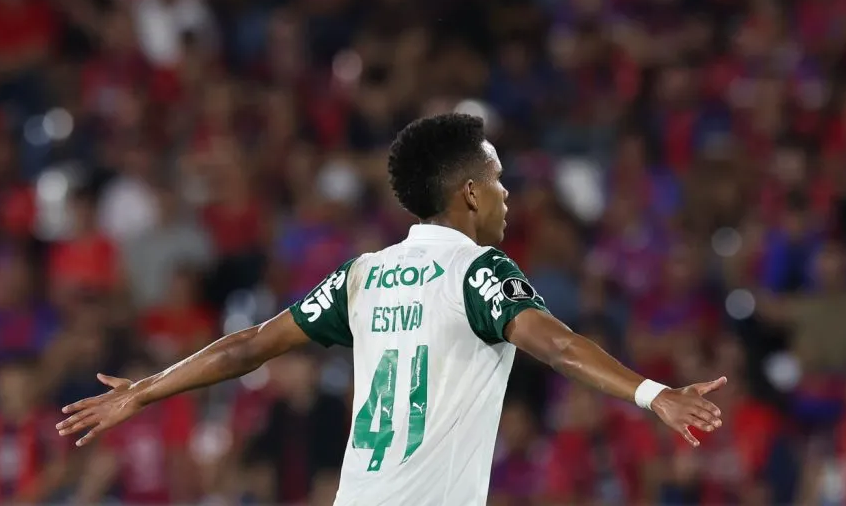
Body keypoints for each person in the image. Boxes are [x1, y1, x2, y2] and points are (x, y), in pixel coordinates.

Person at [55, 113, 727, 506]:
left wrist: (146, 391)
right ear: (468, 194)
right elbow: (553, 344)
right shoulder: (480, 271)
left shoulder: (364, 276)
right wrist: (652, 393)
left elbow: (248, 346)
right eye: (496, 179)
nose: (505, 194)